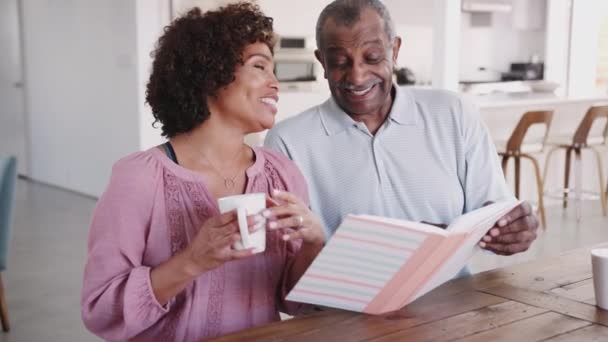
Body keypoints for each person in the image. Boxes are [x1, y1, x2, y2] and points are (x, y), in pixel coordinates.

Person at [81, 3, 324, 341]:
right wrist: (193, 260)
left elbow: (293, 300)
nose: (275, 83)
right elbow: (101, 308)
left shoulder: (283, 174)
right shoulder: (138, 179)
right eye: (260, 67)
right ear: (212, 73)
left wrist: (314, 243)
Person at [264, 0, 538, 258]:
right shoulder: (288, 142)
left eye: (372, 57)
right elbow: (288, 258)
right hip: (345, 306)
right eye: (339, 62)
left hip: (453, 299)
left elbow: (492, 211)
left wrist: (512, 228)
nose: (357, 76)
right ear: (322, 61)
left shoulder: (454, 113)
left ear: (394, 51)